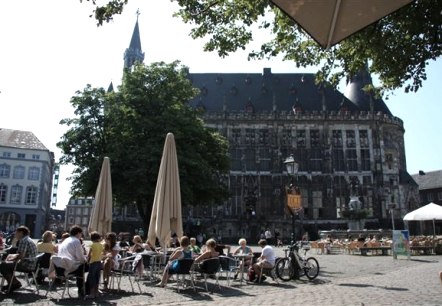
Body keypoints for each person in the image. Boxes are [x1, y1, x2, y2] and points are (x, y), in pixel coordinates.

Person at [0, 226, 38, 292]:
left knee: (2, 265)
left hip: (26, 264)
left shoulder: (23, 240)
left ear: (21, 232)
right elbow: (22, 254)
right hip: (31, 263)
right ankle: (12, 283)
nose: (15, 234)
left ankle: (14, 283)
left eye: (16, 232)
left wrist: (10, 259)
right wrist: (11, 256)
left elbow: (21, 256)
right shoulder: (27, 239)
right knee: (5, 264)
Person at [54, 225, 87, 297]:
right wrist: (86, 259)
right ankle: (83, 289)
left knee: (81, 267)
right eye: (81, 234)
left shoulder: (66, 240)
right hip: (68, 268)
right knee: (86, 267)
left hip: (59, 268)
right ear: (78, 233)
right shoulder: (76, 241)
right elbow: (81, 258)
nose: (81, 235)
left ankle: (82, 288)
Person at [85, 231, 103, 299]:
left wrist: (87, 261)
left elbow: (89, 255)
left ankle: (91, 294)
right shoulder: (101, 245)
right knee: (97, 277)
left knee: (92, 278)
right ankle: (96, 292)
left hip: (93, 262)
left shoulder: (92, 245)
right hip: (99, 262)